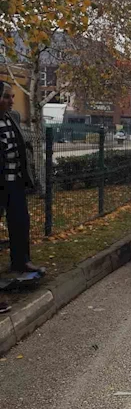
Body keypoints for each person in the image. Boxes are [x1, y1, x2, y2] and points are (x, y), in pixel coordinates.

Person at [0, 81, 45, 313]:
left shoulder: (13, 118)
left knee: (20, 222)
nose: (11, 100)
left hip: (15, 183)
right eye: (6, 97)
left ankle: (21, 261)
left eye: (11, 96)